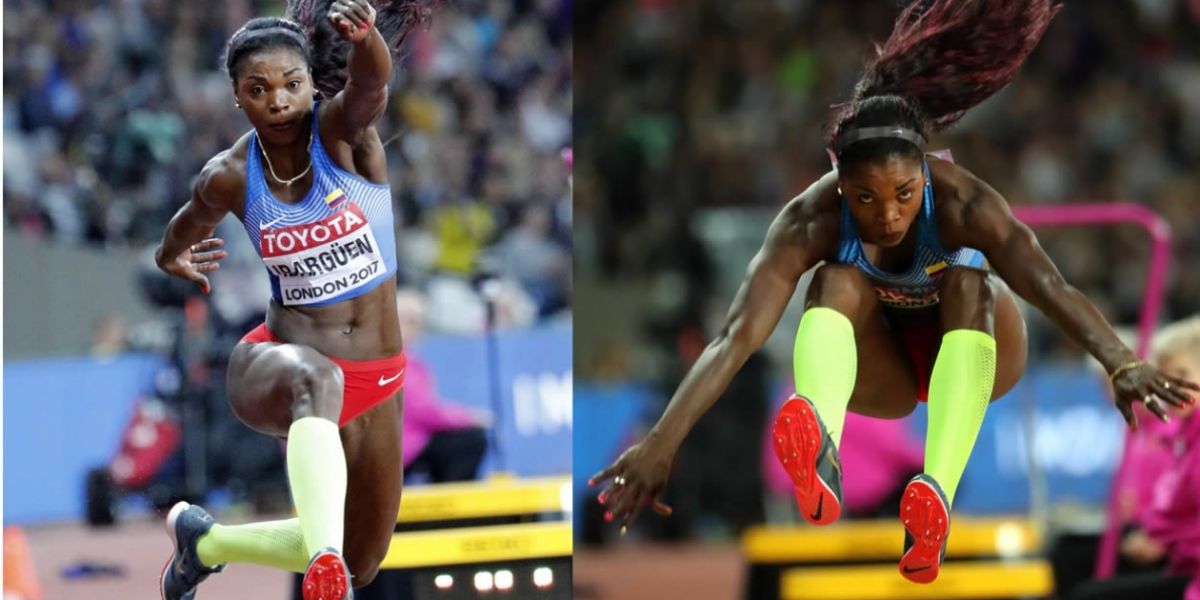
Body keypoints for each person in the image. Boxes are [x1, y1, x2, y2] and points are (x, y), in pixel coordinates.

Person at [588, 0, 1200, 585]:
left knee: (969, 280)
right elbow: (733, 338)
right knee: (832, 280)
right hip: (882, 375)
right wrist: (660, 442)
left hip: (976, 354)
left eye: (905, 194)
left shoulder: (964, 202)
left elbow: (1049, 287)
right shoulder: (809, 220)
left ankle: (935, 493)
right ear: (838, 182)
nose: (886, 216)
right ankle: (821, 442)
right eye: (865, 198)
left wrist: (1120, 361)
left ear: (925, 171)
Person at [152, 1, 435, 598]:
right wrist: (170, 256)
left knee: (365, 560)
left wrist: (364, 39)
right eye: (258, 90)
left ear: (310, 84)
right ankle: (323, 562)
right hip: (279, 361)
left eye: (290, 84)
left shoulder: (344, 137)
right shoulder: (229, 174)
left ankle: (206, 545)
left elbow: (371, 81)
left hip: (380, 376)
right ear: (237, 97)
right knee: (319, 383)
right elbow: (185, 223)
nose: (278, 101)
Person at [1071, 316, 1200, 600]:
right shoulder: (1181, 437)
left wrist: (1161, 540)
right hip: (1177, 559)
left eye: (1183, 374)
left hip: (1187, 570)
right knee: (1069, 552)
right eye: (1166, 379)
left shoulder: (1172, 435)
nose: (1171, 388)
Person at [394, 289, 490, 483]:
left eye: (419, 322)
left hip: (408, 443)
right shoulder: (396, 361)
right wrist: (469, 417)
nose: (416, 328)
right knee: (471, 440)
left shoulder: (409, 360)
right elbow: (422, 412)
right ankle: (453, 509)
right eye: (408, 320)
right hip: (401, 446)